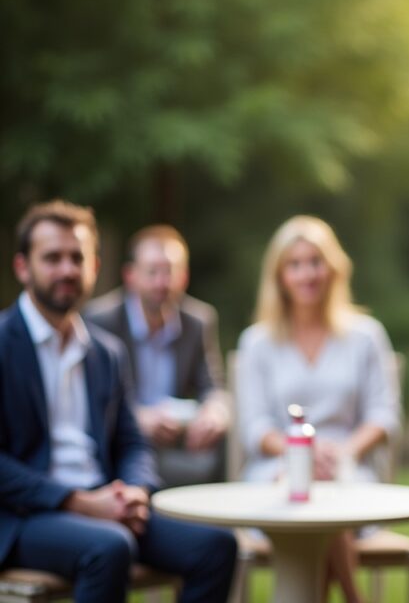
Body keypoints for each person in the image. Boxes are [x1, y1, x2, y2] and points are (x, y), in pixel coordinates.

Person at [0, 200, 237, 603]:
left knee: (216, 547)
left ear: (94, 266)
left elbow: (132, 441)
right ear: (23, 267)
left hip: (105, 501)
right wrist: (77, 502)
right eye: (52, 258)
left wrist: (136, 491)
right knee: (110, 546)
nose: (67, 269)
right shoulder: (3, 344)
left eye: (77, 258)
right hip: (24, 516)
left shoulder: (105, 352)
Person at [236, 215, 401, 603]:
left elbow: (384, 415)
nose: (307, 274)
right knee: (311, 496)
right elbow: (255, 427)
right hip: (276, 470)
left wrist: (342, 454)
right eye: (295, 264)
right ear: (280, 275)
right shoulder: (257, 342)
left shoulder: (366, 336)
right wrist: (299, 454)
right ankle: (354, 597)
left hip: (348, 468)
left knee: (329, 500)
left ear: (333, 268)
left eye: (315, 262)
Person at [85, 225, 230, 487]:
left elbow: (213, 385)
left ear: (184, 277)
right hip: (123, 440)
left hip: (178, 439)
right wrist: (138, 418)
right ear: (130, 276)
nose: (162, 283)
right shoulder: (101, 320)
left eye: (170, 272)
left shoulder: (198, 320)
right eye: (152, 272)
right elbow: (94, 398)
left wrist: (213, 412)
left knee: (221, 436)